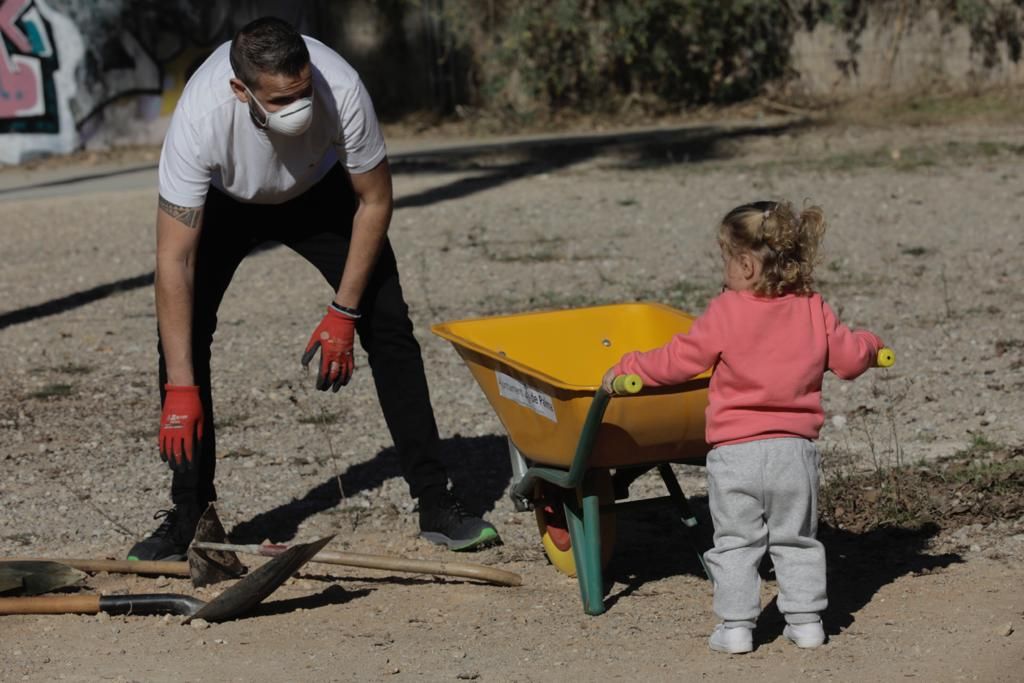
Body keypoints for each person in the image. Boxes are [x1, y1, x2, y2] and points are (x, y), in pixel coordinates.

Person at [128, 17, 500, 561]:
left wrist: (344, 312)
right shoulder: (200, 119)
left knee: (389, 324)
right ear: (241, 90)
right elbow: (174, 259)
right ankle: (191, 516)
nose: (298, 108)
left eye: (303, 92)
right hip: (228, 202)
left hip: (320, 192)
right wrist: (180, 390)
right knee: (179, 341)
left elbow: (375, 201)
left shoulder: (341, 86)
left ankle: (437, 503)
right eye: (280, 100)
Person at [602, 200, 886, 654]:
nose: (724, 272)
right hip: (795, 453)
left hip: (736, 454)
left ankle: (736, 627)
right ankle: (806, 620)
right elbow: (851, 360)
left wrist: (629, 367)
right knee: (797, 540)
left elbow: (679, 361)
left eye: (726, 261)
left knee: (735, 542)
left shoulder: (727, 310)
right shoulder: (813, 307)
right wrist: (872, 345)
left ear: (748, 264)